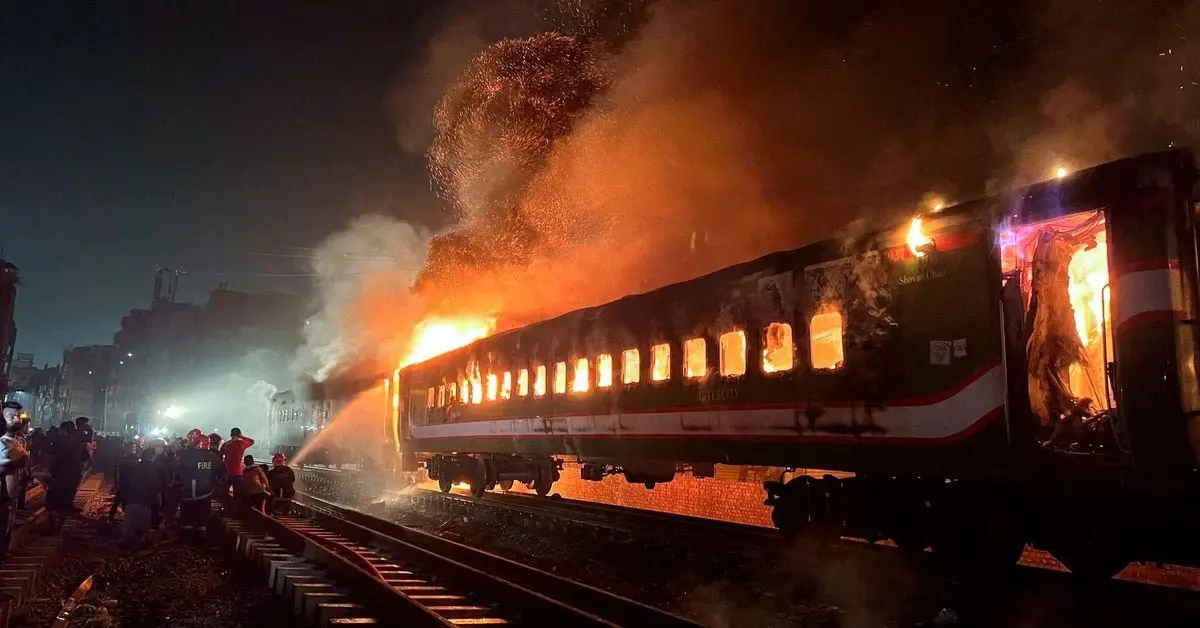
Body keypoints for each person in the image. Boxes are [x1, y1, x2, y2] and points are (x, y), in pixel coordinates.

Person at [0, 403, 30, 560]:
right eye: (11, 416)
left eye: (18, 416)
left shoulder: (17, 442)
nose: (16, 419)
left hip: (11, 498)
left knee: (6, 532)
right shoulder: (1, 443)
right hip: (2, 497)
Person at [120, 449, 161, 553]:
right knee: (142, 526)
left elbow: (124, 487)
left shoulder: (133, 468)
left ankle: (127, 546)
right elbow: (155, 487)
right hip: (144, 502)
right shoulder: (153, 469)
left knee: (131, 525)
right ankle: (136, 547)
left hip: (131, 501)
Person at [178, 434, 221, 533]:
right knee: (202, 518)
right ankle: (200, 537)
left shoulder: (187, 455)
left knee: (187, 518)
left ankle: (187, 537)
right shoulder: (213, 457)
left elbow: (178, 470)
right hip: (206, 493)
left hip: (188, 493)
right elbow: (220, 472)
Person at [47, 421, 82, 529]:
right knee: (65, 501)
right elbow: (80, 458)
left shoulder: (58, 442)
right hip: (71, 475)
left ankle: (53, 526)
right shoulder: (75, 442)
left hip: (58, 475)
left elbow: (51, 456)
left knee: (52, 501)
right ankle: (59, 525)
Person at [218, 428, 254, 502]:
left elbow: (220, 456)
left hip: (227, 473)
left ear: (231, 435)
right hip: (238, 473)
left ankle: (224, 509)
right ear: (239, 434)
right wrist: (242, 437)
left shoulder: (226, 444)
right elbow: (251, 441)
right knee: (238, 495)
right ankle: (237, 510)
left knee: (224, 493)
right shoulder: (241, 443)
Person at [108, 441, 140, 522]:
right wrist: (117, 484)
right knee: (120, 500)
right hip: (124, 484)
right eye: (131, 447)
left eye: (134, 447)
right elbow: (117, 472)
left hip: (131, 484)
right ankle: (112, 518)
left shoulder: (135, 458)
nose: (133, 449)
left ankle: (123, 518)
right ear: (126, 448)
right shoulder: (122, 459)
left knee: (124, 501)